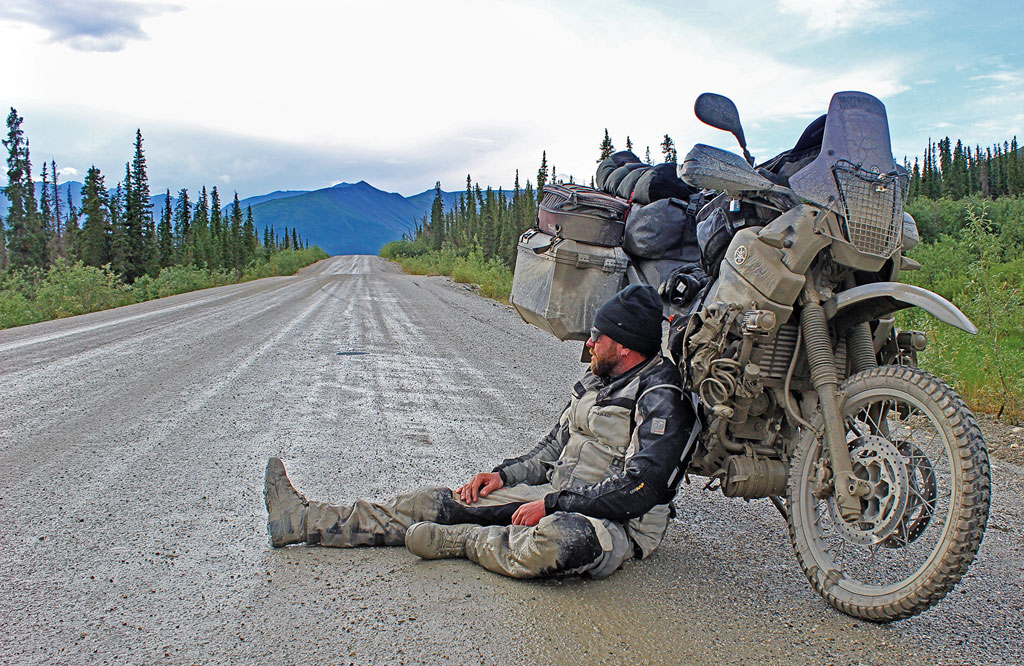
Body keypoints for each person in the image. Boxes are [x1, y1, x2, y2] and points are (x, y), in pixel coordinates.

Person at [264, 284, 699, 579]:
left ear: (624, 345)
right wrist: (503, 477)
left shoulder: (661, 395)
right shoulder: (597, 379)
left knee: (558, 542)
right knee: (437, 500)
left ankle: (466, 541)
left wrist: (551, 504)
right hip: (557, 494)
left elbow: (641, 487)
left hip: (616, 523)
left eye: (598, 336)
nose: (589, 343)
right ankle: (304, 521)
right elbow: (552, 448)